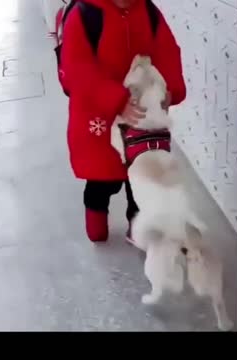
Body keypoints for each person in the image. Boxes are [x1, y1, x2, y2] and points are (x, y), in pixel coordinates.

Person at [60, 0, 186, 243]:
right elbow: (78, 67)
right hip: (97, 115)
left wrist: (170, 88)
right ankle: (96, 217)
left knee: (137, 180)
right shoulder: (85, 14)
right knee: (99, 178)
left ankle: (137, 227)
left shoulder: (148, 12)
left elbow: (167, 51)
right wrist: (116, 101)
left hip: (139, 117)